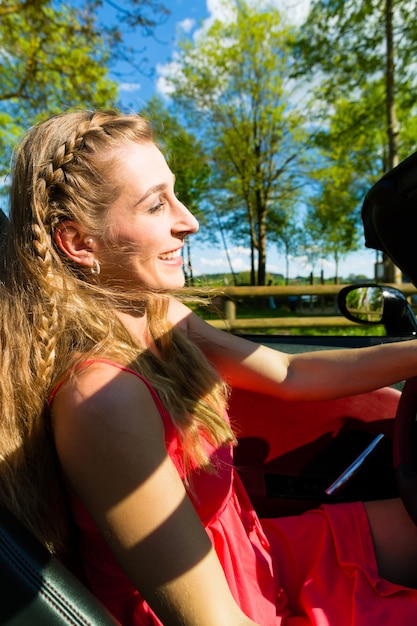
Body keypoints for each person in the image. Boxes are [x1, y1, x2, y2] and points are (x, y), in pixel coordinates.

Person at [3, 110, 417, 626]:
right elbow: (214, 621)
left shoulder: (159, 315)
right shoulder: (103, 398)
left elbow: (292, 375)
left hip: (250, 553)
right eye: (157, 205)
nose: (189, 220)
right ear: (79, 243)